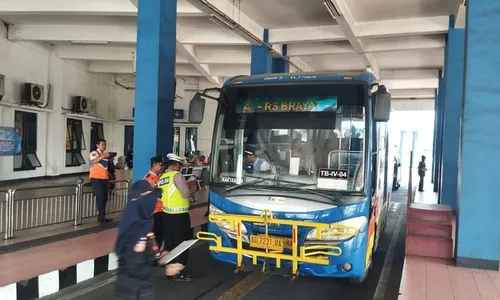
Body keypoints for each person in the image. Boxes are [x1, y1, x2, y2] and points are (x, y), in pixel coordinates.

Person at [114, 180, 183, 300]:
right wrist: (165, 271)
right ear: (144, 202)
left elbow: (143, 254)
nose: (156, 202)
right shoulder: (136, 230)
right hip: (133, 291)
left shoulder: (143, 221)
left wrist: (159, 256)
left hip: (141, 288)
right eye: (152, 199)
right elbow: (135, 268)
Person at [159, 153, 198, 282]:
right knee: (181, 244)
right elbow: (186, 194)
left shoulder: (163, 177)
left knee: (170, 243)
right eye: (180, 166)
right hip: (179, 217)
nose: (180, 168)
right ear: (175, 165)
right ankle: (178, 272)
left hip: (166, 215)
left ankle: (170, 271)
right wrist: (194, 189)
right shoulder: (177, 175)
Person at [89, 139, 112, 224]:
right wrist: (103, 156)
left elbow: (103, 167)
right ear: (97, 145)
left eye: (105, 145)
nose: (104, 146)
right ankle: (101, 217)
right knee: (100, 197)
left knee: (105, 198)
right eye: (102, 144)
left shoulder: (103, 155)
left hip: (104, 178)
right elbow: (94, 161)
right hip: (96, 178)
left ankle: (102, 217)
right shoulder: (94, 153)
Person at [143, 156, 165, 248]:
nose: (162, 167)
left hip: (161, 211)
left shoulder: (160, 177)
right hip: (154, 213)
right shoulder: (148, 179)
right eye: (161, 165)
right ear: (154, 165)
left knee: (160, 236)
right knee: (154, 238)